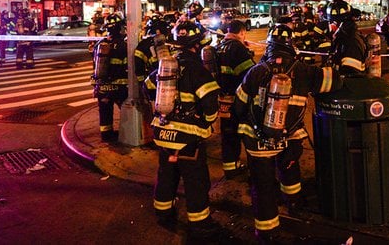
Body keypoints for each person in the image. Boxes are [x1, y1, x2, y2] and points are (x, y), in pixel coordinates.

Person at [233, 24, 342, 243]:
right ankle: (293, 203)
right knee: (290, 171)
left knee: (262, 186)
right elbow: (335, 81)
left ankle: (267, 231)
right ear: (291, 46)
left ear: (269, 46)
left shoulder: (256, 71)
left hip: (257, 142)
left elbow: (239, 106)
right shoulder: (303, 70)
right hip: (289, 138)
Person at [144, 21, 222, 240]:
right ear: (196, 46)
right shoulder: (198, 70)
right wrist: (206, 122)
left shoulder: (166, 64)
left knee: (166, 175)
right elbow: (210, 104)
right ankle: (200, 223)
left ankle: (163, 212)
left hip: (164, 133)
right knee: (195, 181)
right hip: (189, 139)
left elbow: (147, 87)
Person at [215, 19, 255, 179]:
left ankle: (230, 168)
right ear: (242, 32)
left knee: (228, 134)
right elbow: (250, 74)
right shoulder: (238, 48)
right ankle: (254, 168)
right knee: (245, 133)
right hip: (238, 99)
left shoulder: (218, 47)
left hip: (222, 100)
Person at [90, 14, 128, 142]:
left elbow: (94, 64)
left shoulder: (100, 44)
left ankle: (106, 135)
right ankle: (127, 134)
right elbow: (126, 65)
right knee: (126, 111)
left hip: (102, 85)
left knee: (105, 111)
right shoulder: (123, 44)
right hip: (119, 86)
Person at [325, 0, 369, 76]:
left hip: (349, 86)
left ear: (340, 23)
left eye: (332, 22)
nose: (330, 25)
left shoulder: (350, 42)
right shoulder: (344, 37)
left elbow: (351, 75)